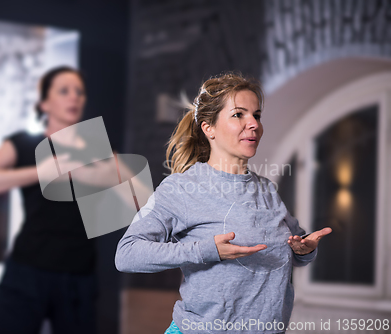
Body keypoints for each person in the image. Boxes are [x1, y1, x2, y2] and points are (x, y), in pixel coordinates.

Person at [115, 72, 332, 334]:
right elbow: (126, 254)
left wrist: (303, 249)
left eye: (257, 115)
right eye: (239, 115)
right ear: (209, 128)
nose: (253, 124)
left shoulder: (267, 190)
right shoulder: (181, 188)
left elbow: (291, 250)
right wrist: (206, 250)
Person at [0, 66, 119, 334]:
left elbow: (132, 191)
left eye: (79, 92)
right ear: (44, 103)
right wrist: (41, 172)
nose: (74, 97)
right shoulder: (25, 145)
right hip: (27, 271)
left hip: (78, 275)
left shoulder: (98, 148)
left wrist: (81, 166)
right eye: (64, 91)